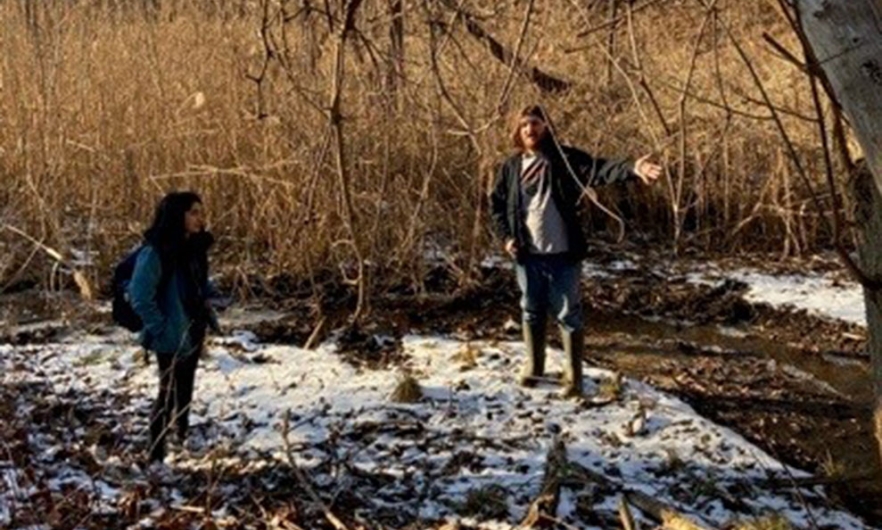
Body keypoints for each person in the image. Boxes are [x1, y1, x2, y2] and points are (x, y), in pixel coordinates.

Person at [490, 105, 662, 398]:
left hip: (564, 254)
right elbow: (496, 207)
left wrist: (634, 168)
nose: (530, 129)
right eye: (524, 125)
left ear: (545, 127)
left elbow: (600, 169)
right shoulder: (510, 167)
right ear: (517, 132)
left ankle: (574, 377)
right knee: (531, 311)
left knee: (569, 315)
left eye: (535, 123)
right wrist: (506, 238)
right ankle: (535, 367)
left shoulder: (566, 160)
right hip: (527, 255)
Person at [129, 191, 219, 463]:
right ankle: (155, 453)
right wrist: (160, 327)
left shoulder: (195, 247)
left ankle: (181, 436)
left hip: (193, 324)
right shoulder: (155, 251)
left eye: (200, 212)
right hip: (170, 329)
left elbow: (196, 282)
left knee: (186, 385)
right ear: (176, 215)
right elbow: (140, 295)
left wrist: (212, 295)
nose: (199, 218)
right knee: (166, 391)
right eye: (193, 212)